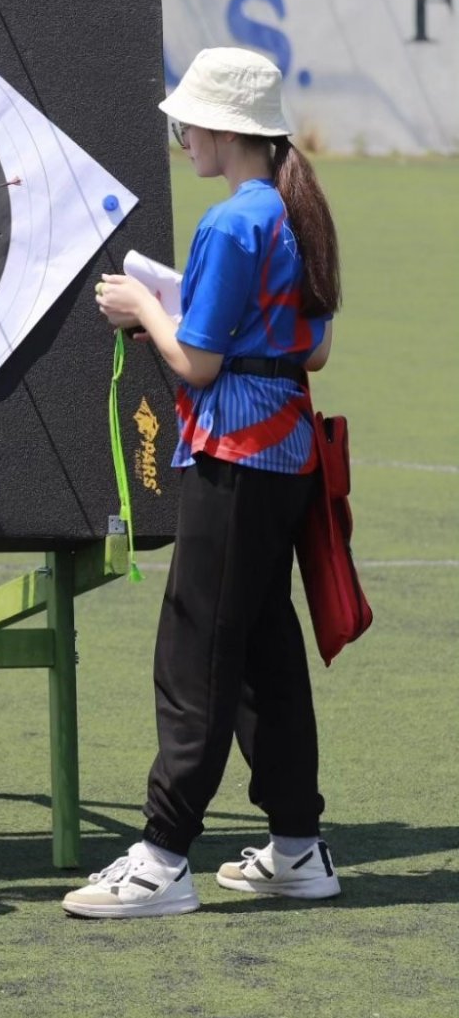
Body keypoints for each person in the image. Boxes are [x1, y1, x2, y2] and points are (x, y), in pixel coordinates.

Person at [65, 46, 343, 919]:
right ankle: (297, 846)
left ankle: (163, 857)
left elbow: (198, 360)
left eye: (187, 121)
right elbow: (317, 348)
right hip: (288, 451)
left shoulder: (234, 221)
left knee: (197, 653)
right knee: (263, 649)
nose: (181, 134)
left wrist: (143, 307)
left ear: (225, 128)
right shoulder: (299, 208)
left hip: (235, 455)